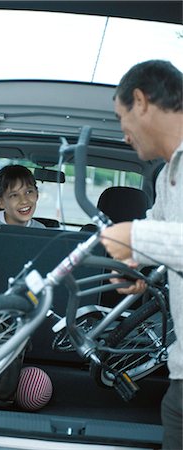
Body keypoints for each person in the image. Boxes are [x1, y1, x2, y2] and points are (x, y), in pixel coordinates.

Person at [100, 60, 183, 450]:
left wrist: (135, 237)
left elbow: (158, 235)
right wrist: (142, 268)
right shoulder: (169, 175)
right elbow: (162, 228)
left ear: (140, 101)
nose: (123, 134)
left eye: (121, 118)